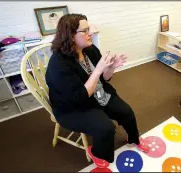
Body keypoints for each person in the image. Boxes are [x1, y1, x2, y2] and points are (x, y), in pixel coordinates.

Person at [45, 14, 149, 168]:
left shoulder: (90, 49)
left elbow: (104, 79)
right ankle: (97, 153)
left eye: (89, 29)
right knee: (106, 128)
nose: (90, 33)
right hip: (72, 107)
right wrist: (98, 69)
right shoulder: (59, 64)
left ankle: (133, 139)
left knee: (126, 112)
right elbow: (80, 97)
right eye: (85, 30)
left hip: (96, 94)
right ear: (71, 36)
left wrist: (111, 67)